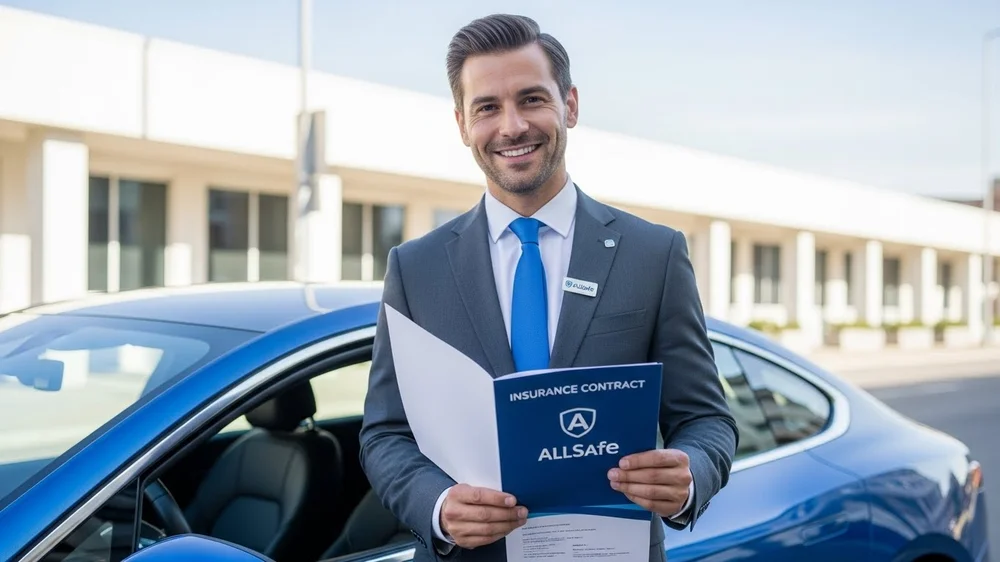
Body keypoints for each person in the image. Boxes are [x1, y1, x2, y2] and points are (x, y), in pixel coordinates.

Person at [359, 13, 738, 562]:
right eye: (487, 107)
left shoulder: (653, 254)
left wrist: (690, 474)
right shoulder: (415, 268)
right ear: (463, 124)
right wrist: (438, 505)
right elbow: (385, 433)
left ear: (571, 105)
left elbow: (707, 420)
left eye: (532, 99)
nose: (512, 127)